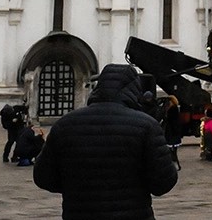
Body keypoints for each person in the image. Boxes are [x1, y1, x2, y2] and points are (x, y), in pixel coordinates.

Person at [33, 63, 179, 220]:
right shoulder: (147, 126)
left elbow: (43, 177)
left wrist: (75, 187)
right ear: (134, 89)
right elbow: (164, 182)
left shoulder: (64, 125)